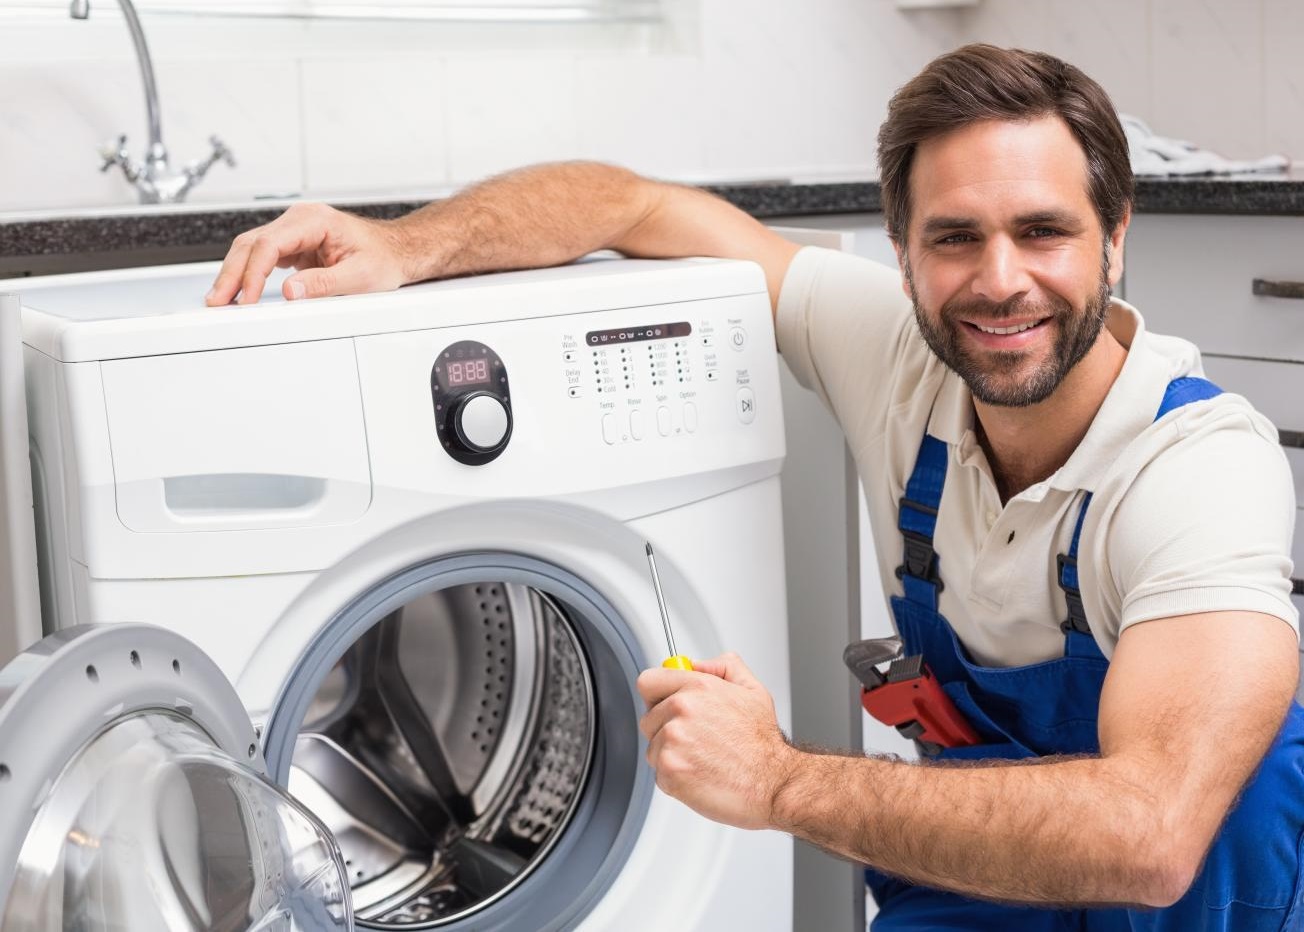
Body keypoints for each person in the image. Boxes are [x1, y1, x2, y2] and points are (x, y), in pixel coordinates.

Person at [207, 44, 1302, 931]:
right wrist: (408, 248)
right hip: (988, 891)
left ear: (1113, 241)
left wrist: (775, 777)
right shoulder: (892, 354)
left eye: (1043, 232)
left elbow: (1148, 836)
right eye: (953, 238)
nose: (998, 277)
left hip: (1202, 906)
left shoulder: (1196, 468)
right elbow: (631, 206)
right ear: (901, 251)